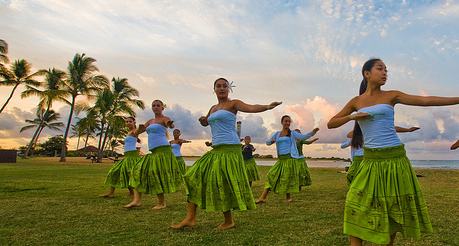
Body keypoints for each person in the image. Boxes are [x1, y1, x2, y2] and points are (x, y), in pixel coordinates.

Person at [327, 58, 459, 246]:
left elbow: (426, 101)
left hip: (395, 157)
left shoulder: (391, 95)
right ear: (366, 73)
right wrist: (353, 116)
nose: (385, 72)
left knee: (394, 206)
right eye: (380, 68)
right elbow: (331, 123)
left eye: (386, 70)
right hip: (371, 160)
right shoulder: (356, 101)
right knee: (354, 203)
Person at [170, 78, 281, 230]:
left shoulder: (233, 103)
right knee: (192, 176)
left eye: (225, 86)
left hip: (230, 148)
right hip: (216, 149)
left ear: (229, 89)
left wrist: (267, 107)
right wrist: (203, 119)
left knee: (222, 182)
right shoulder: (213, 108)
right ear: (214, 89)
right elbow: (206, 123)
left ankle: (228, 221)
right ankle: (190, 218)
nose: (222, 88)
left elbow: (251, 107)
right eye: (218, 86)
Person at [124, 100, 183, 210]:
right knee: (136, 170)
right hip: (153, 152)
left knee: (156, 175)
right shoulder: (150, 121)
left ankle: (161, 203)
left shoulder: (165, 119)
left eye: (158, 105)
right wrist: (139, 130)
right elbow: (137, 133)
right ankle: (137, 200)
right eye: (153, 105)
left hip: (163, 151)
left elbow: (170, 124)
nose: (156, 107)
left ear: (162, 108)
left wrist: (171, 125)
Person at [254, 116, 319, 203]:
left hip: (290, 159)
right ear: (282, 122)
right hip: (281, 160)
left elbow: (303, 137)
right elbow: (267, 142)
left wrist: (312, 133)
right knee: (271, 175)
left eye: (289, 121)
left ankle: (287, 198)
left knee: (287, 178)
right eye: (286, 121)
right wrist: (271, 142)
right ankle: (263, 198)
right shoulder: (277, 134)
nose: (287, 123)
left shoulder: (293, 133)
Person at [342, 125, 420, 184]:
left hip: (369, 156)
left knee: (362, 176)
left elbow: (393, 128)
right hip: (361, 158)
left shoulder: (375, 129)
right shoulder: (360, 134)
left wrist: (408, 130)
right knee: (356, 176)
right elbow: (348, 136)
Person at [100, 116, 141, 198]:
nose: (128, 123)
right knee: (115, 171)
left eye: (130, 121)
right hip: (127, 156)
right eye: (127, 122)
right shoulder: (128, 133)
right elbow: (129, 143)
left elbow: (139, 131)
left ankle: (132, 193)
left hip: (133, 156)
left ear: (134, 123)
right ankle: (111, 193)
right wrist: (123, 142)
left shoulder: (134, 132)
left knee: (131, 174)